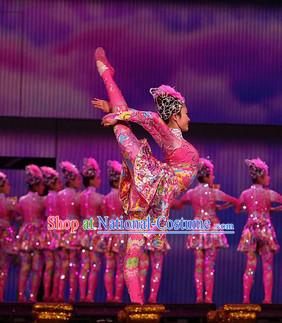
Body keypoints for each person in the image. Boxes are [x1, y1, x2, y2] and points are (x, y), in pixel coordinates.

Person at [92, 47, 199, 304]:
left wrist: (117, 112)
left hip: (154, 194)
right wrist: (118, 115)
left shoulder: (178, 140)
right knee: (122, 130)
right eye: (186, 113)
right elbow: (149, 118)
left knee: (134, 248)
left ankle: (107, 74)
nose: (189, 117)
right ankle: (106, 74)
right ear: (175, 115)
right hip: (156, 179)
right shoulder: (168, 134)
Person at [173, 158, 238, 303]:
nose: (213, 177)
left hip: (198, 228)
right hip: (211, 227)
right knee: (209, 265)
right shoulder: (214, 192)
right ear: (207, 176)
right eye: (212, 175)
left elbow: (178, 205)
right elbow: (235, 201)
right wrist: (226, 206)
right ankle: (208, 298)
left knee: (198, 265)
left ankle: (199, 297)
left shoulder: (191, 193)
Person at [237, 158, 282, 304]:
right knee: (267, 267)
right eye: (267, 175)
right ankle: (267, 299)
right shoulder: (270, 194)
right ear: (261, 176)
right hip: (265, 231)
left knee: (250, 266)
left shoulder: (245, 194)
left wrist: (249, 210)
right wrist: (271, 209)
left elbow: (238, 209)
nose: (268, 178)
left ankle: (246, 299)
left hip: (251, 230)